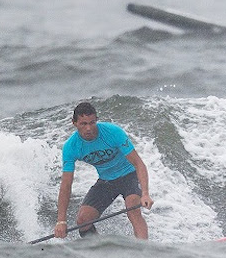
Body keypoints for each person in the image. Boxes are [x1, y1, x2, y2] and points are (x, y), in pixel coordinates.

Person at [55, 102, 154, 240]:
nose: (89, 128)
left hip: (130, 175)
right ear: (74, 123)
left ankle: (144, 252)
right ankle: (100, 254)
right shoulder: (71, 147)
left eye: (92, 122)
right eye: (83, 124)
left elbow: (139, 164)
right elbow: (66, 185)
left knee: (133, 209)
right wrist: (61, 221)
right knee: (83, 221)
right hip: (107, 181)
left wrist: (145, 194)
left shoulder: (113, 132)